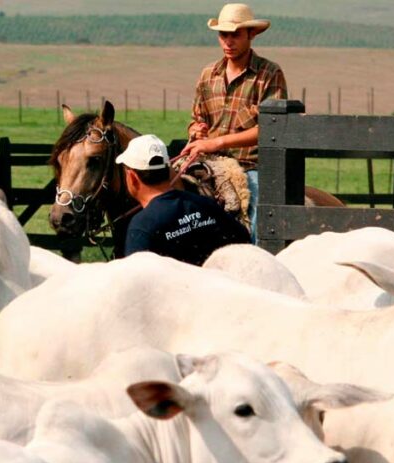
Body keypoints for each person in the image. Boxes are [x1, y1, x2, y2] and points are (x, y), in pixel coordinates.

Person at [179, 3, 287, 242]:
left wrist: (216, 143)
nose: (228, 41)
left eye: (235, 34)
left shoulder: (269, 74)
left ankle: (258, 257)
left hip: (251, 165)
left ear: (251, 34)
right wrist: (196, 131)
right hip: (208, 161)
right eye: (223, 35)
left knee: (258, 213)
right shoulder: (209, 74)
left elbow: (272, 129)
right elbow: (197, 118)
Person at [119, 134, 249, 266]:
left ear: (132, 177)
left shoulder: (142, 227)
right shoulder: (205, 204)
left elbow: (138, 280)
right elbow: (243, 240)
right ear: (169, 170)